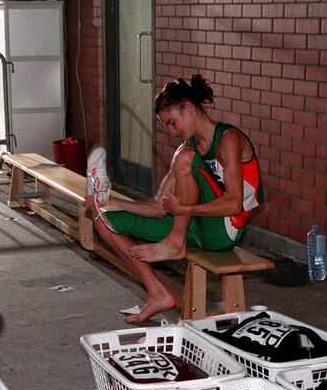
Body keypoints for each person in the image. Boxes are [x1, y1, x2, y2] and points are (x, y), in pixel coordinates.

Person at [87, 74, 263, 324]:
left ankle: (175, 243)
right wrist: (110, 201)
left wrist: (184, 208)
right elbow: (160, 207)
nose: (172, 131)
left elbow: (234, 202)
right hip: (192, 225)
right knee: (103, 220)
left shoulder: (227, 139)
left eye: (172, 122)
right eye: (166, 126)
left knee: (185, 159)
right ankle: (157, 293)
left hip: (224, 228)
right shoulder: (186, 149)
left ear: (189, 108)